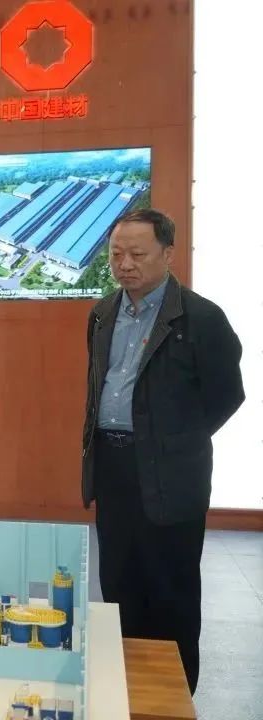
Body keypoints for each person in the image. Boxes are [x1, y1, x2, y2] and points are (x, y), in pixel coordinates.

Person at [82, 208, 243, 695]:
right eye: (116, 254)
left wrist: (176, 442)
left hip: (172, 476)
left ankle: (173, 697)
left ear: (168, 254)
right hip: (113, 467)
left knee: (171, 593)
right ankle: (125, 691)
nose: (125, 264)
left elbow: (226, 395)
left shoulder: (201, 318)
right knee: (119, 586)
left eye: (137, 253)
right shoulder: (102, 313)